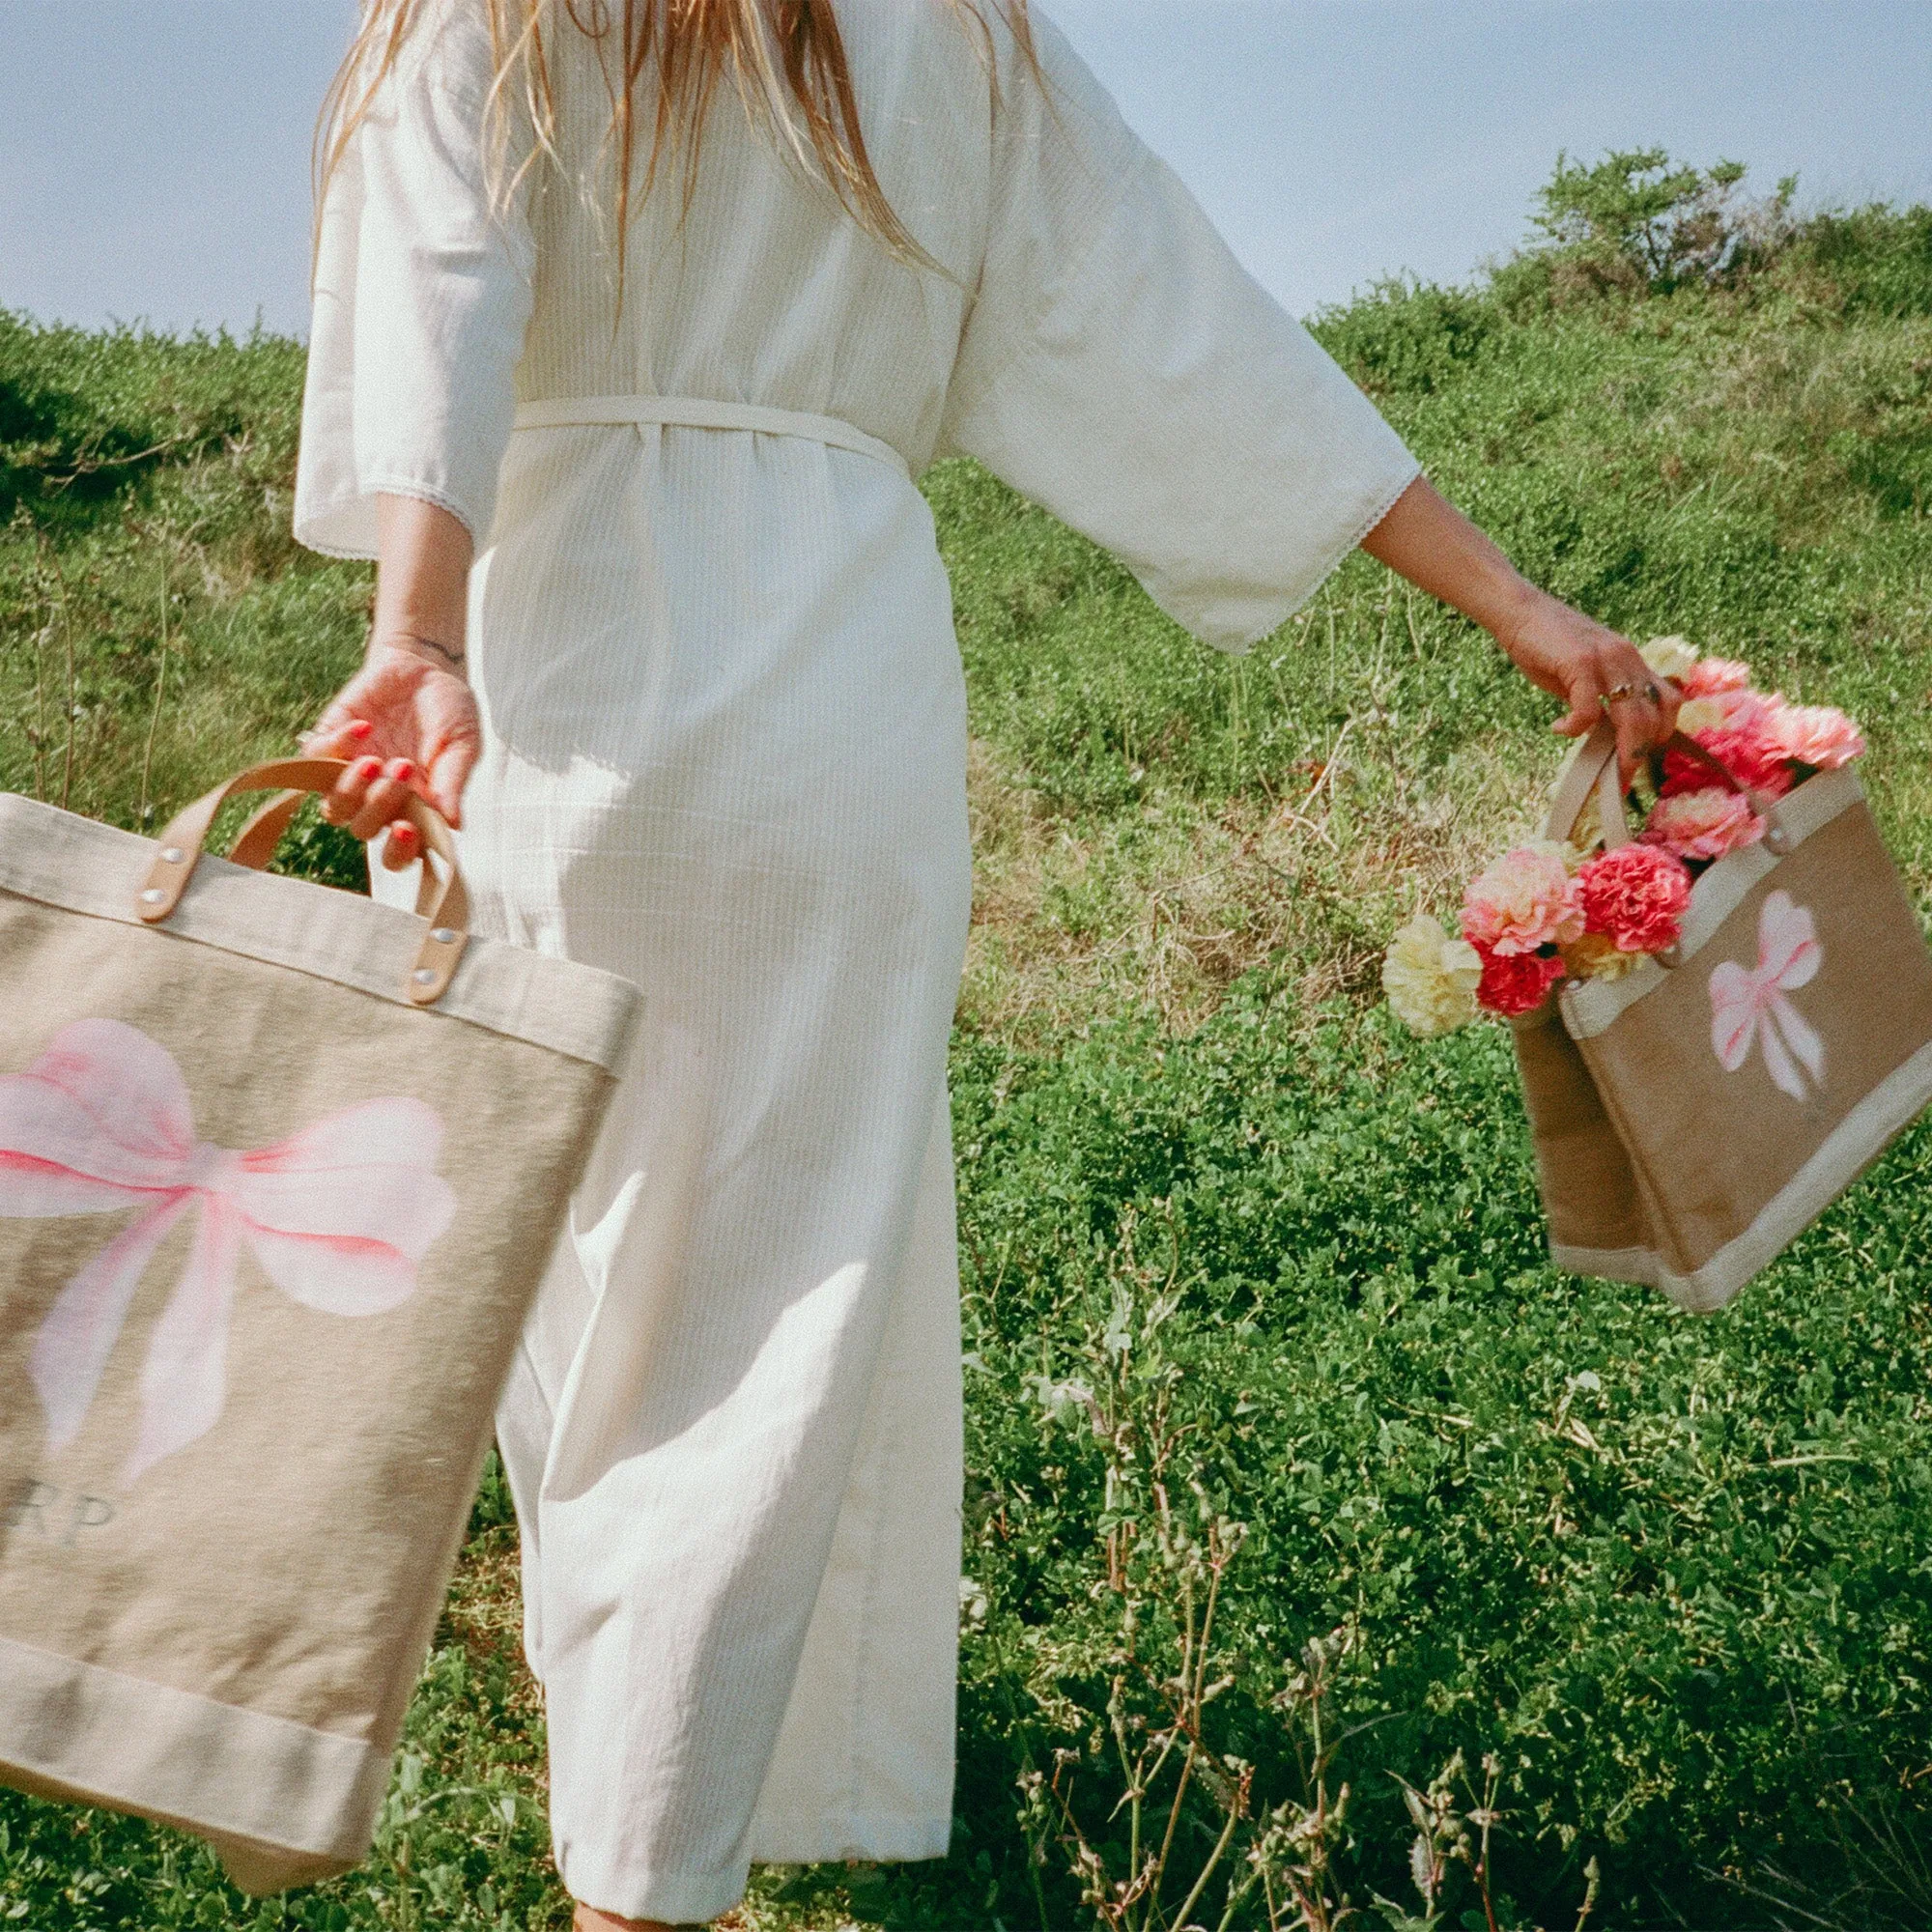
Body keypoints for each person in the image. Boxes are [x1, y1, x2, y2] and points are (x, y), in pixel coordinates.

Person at [293, 3, 1677, 1924]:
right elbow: (1181, 326)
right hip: (828, 669)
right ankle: (650, 1844)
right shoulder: (953, 37)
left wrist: (418, 632)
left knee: (587, 1293)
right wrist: (1517, 604)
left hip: (547, 667)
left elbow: (446, 270)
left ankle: (632, 1845)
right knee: (773, 1296)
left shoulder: (505, 16)